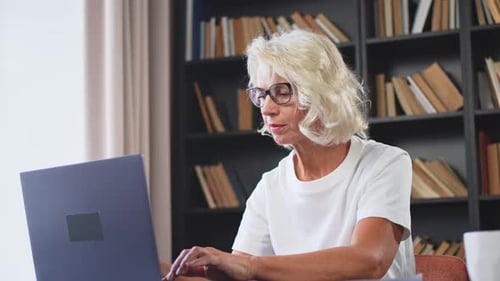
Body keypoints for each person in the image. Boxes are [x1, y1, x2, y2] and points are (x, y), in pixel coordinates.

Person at [164, 29, 415, 281]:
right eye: (261, 95)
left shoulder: (385, 163)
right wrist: (165, 272)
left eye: (281, 93)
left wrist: (250, 266)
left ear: (323, 94)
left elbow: (370, 260)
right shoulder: (271, 186)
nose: (267, 109)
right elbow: (238, 273)